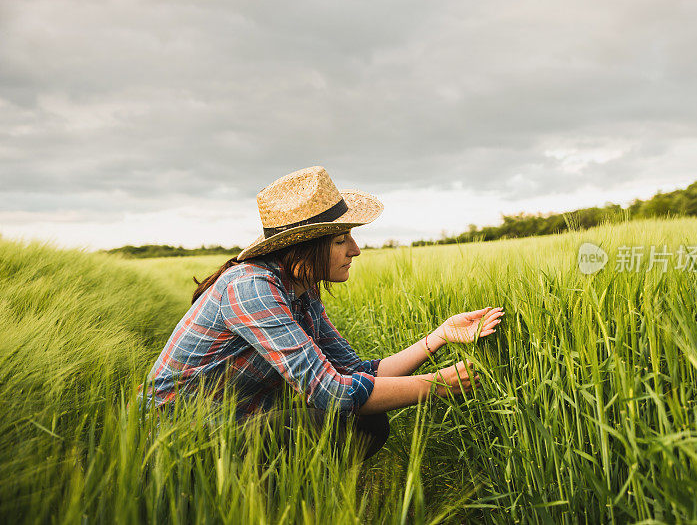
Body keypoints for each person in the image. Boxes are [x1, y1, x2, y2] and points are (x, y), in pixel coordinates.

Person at [141, 166, 504, 462]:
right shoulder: (251, 288)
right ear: (304, 249)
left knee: (365, 419)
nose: (356, 250)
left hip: (235, 420)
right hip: (180, 436)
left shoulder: (302, 289)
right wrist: (439, 384)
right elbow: (330, 392)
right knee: (351, 417)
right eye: (340, 240)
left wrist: (439, 335)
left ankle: (284, 498)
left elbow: (358, 372)